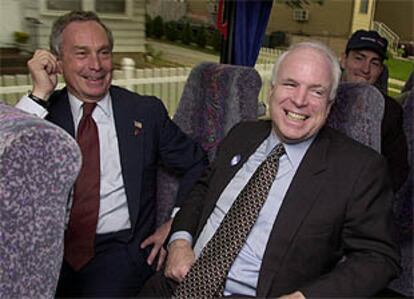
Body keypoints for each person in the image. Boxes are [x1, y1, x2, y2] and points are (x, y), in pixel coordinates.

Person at [139, 41, 400, 298]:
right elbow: (203, 189)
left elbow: (379, 257)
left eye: (316, 92)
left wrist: (306, 297)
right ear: (272, 91)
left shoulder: (358, 168)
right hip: (176, 284)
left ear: (330, 104)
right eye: (290, 84)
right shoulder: (242, 134)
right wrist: (180, 241)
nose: (299, 100)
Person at [15, 10, 207, 297]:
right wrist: (38, 94)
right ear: (57, 60)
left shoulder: (145, 112)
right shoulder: (43, 115)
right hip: (47, 251)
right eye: (81, 53)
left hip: (119, 254)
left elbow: (198, 164)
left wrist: (176, 224)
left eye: (103, 52)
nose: (96, 65)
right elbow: (7, 168)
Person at [340, 29, 409, 192]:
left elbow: (397, 170)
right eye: (359, 58)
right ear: (344, 60)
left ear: (380, 70)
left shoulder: (390, 112)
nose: (366, 69)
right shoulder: (322, 99)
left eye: (374, 63)